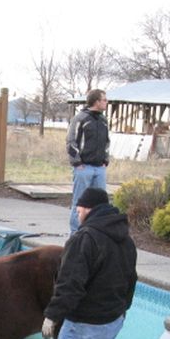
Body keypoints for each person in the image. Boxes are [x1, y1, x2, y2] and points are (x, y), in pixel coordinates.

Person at [41, 187, 138, 339]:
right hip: (112, 322)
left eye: (78, 211)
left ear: (88, 209)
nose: (77, 217)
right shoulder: (126, 240)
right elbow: (131, 279)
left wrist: (52, 316)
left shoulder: (84, 239)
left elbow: (70, 283)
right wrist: (122, 311)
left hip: (84, 324)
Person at [66, 89, 110, 234]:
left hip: (99, 169)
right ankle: (75, 236)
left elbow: (107, 142)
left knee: (100, 204)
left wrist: (105, 160)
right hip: (84, 168)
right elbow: (71, 141)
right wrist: (77, 163)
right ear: (96, 102)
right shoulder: (81, 118)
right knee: (79, 202)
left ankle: (96, 234)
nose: (106, 102)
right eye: (104, 100)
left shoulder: (103, 121)